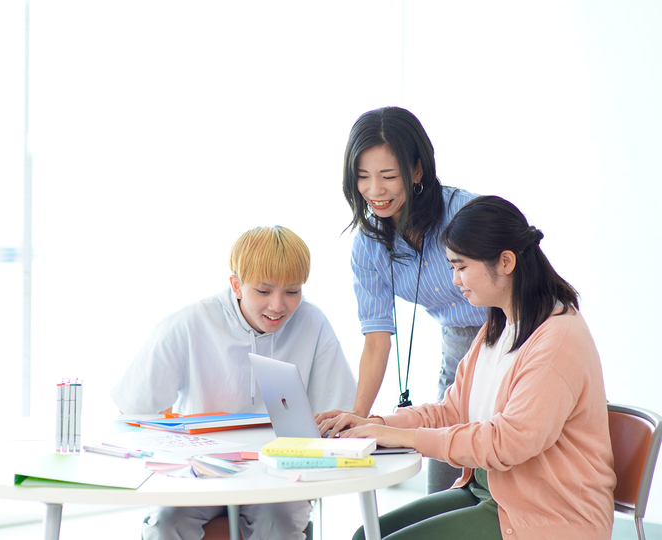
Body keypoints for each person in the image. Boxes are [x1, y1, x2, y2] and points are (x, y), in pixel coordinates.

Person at [319, 196, 616, 540]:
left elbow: (507, 442)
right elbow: (452, 410)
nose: (455, 281)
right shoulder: (498, 327)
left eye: (461, 267)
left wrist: (403, 438)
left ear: (506, 262)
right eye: (451, 268)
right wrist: (378, 425)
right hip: (490, 493)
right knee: (365, 535)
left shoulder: (557, 339)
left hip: (547, 512)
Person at [111, 225, 357, 540]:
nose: (278, 306)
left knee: (278, 524)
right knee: (165, 523)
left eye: (292, 291)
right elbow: (133, 406)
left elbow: (338, 412)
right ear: (236, 285)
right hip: (200, 468)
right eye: (264, 291)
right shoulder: (190, 322)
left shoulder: (313, 323)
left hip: (278, 471)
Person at [317, 106, 488, 493]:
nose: (375, 191)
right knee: (445, 485)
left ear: (416, 171)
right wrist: (357, 421)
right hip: (458, 344)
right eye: (362, 177)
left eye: (388, 176)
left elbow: (522, 276)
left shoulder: (465, 212)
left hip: (514, 336)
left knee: (499, 470)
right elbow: (377, 340)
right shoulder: (368, 246)